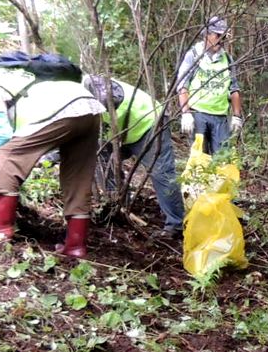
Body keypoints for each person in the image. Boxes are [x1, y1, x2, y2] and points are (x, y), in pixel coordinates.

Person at [0, 55, 105, 259]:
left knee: (8, 155)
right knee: (78, 177)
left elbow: (2, 133)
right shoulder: (9, 74)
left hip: (63, 110)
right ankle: (75, 246)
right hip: (89, 107)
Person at [84, 74, 184, 238]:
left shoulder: (101, 91)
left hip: (148, 122)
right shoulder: (75, 98)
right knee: (99, 159)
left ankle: (176, 225)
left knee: (161, 173)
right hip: (116, 133)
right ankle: (116, 205)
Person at [176, 17, 242, 154]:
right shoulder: (193, 55)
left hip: (220, 117)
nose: (221, 40)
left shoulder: (227, 59)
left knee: (223, 158)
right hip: (198, 114)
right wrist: (186, 113)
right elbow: (183, 84)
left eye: (224, 36)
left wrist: (236, 116)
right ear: (207, 34)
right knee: (199, 158)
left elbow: (234, 88)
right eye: (218, 35)